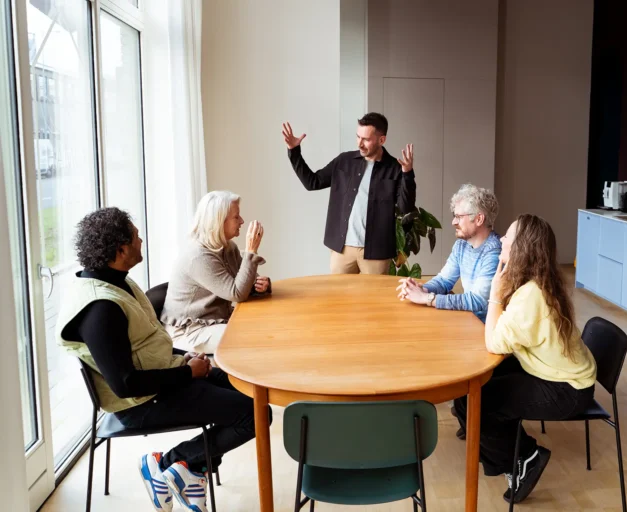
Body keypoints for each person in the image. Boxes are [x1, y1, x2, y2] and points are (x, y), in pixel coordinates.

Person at [56, 207, 267, 512]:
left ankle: (191, 470)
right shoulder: (101, 309)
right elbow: (126, 385)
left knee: (249, 392)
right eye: (135, 236)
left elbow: (145, 345)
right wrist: (188, 373)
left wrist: (185, 357)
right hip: (141, 403)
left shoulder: (117, 282)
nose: (141, 240)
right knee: (255, 414)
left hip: (164, 376)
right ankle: (172, 464)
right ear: (120, 250)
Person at [453, 214, 597, 505]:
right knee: (470, 388)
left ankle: (524, 457)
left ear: (522, 248)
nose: (502, 239)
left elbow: (494, 341)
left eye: (508, 236)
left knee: (480, 403)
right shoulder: (535, 283)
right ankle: (489, 439)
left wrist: (495, 294)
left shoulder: (532, 295)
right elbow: (501, 335)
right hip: (551, 370)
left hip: (567, 389)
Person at [282, 112, 416, 274]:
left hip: (376, 252)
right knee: (338, 291)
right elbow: (312, 182)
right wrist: (294, 151)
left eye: (366, 139)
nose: (360, 143)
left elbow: (405, 207)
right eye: (358, 137)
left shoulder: (395, 168)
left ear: (381, 140)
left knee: (373, 292)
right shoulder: (344, 161)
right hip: (342, 249)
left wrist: (407, 174)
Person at [162, 191, 271, 355]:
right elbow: (237, 293)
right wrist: (251, 250)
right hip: (190, 331)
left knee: (269, 323)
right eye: (236, 217)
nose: (242, 221)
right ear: (219, 221)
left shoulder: (228, 247)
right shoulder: (198, 257)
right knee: (252, 336)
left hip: (216, 320)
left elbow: (246, 282)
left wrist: (261, 285)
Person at [396, 184, 501, 322]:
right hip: (467, 320)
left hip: (485, 327)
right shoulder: (461, 245)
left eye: (458, 216)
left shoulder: (494, 253)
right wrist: (420, 290)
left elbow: (478, 301)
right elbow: (444, 281)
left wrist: (427, 298)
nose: (453, 222)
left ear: (479, 219)